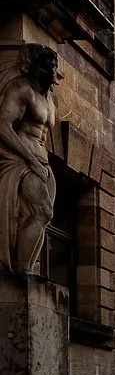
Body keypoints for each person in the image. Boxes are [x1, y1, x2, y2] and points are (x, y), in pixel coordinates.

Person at [0, 44, 60, 275]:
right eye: (49, 64)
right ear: (35, 67)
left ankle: (27, 269)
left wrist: (40, 162)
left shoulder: (51, 100)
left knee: (43, 218)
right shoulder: (22, 90)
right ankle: (21, 271)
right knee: (43, 211)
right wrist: (31, 161)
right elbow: (3, 126)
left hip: (42, 162)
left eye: (54, 64)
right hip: (23, 160)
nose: (53, 69)